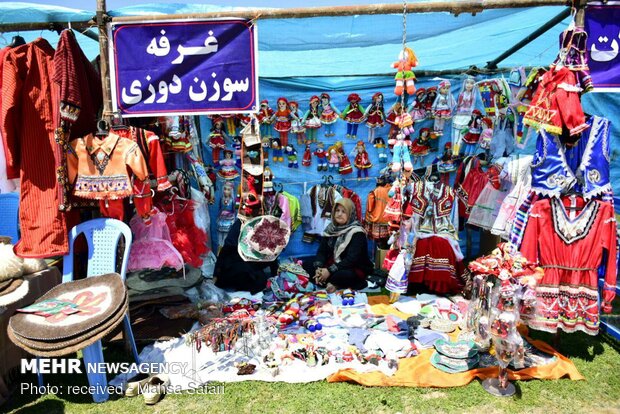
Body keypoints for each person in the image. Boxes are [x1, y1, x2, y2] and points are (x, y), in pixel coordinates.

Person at [303, 198, 372, 292]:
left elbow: (351, 259)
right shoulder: (330, 229)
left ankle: (329, 282)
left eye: (344, 212)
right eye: (337, 210)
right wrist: (319, 269)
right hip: (333, 264)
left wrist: (329, 271)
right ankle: (328, 281)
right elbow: (322, 251)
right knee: (308, 265)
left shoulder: (357, 233)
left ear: (350, 214)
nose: (339, 214)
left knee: (343, 275)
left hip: (352, 267)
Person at [214, 219, 279, 294]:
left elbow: (272, 252)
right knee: (259, 280)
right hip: (236, 267)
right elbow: (227, 249)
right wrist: (216, 274)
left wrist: (275, 275)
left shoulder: (266, 225)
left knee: (260, 279)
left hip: (246, 268)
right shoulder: (240, 224)